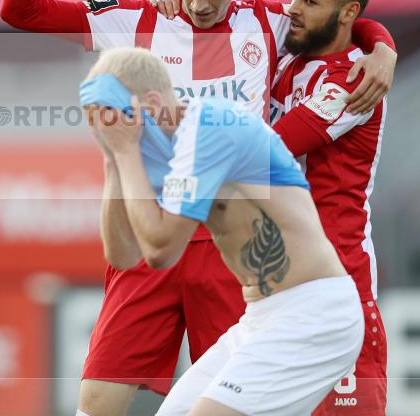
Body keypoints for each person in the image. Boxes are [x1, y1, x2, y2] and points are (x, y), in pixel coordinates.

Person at [0, 0, 396, 416]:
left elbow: (337, 21)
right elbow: (20, 12)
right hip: (155, 232)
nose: (200, 2)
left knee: (228, 401)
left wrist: (382, 45)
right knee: (97, 401)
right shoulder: (139, 21)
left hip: (232, 247)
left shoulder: (271, 23)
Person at [157, 0, 389, 414]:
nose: (292, 8)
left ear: (346, 13)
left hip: (336, 277)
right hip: (274, 290)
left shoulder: (354, 78)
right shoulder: (285, 62)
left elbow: (265, 148)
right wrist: (179, 11)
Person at [80, 47, 364, 416]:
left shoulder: (211, 125)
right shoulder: (161, 152)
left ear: (150, 104)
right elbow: (123, 255)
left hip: (314, 313)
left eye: (114, 118)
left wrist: (125, 153)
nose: (110, 130)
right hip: (261, 317)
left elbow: (160, 250)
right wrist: (112, 158)